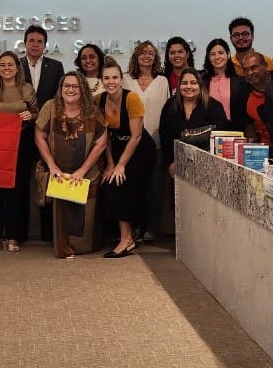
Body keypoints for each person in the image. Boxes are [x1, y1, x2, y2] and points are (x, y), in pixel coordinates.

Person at [35, 72, 108, 259]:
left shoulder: (93, 111)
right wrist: (52, 165)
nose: (70, 90)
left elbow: (101, 143)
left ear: (83, 89)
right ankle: (64, 247)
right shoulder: (50, 107)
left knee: (87, 214)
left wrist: (82, 171)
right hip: (59, 173)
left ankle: (84, 247)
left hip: (87, 174)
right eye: (66, 86)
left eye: (75, 86)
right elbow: (39, 137)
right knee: (62, 213)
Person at [0, 51, 39, 252]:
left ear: (17, 68)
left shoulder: (26, 88)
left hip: (20, 144)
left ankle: (14, 236)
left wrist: (30, 116)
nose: (6, 68)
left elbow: (36, 113)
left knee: (17, 191)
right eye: (2, 65)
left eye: (10, 65)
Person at [97, 59, 157, 258]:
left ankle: (127, 240)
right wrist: (110, 164)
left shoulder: (131, 99)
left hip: (140, 148)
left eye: (115, 77)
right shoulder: (98, 100)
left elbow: (136, 136)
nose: (111, 82)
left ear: (121, 79)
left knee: (120, 183)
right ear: (101, 80)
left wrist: (121, 165)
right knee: (109, 180)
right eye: (106, 78)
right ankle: (124, 233)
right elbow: (104, 136)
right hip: (115, 147)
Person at [123, 40, 172, 241]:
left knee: (154, 187)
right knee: (134, 187)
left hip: (156, 142)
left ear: (156, 57)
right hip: (132, 142)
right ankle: (135, 226)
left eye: (151, 53)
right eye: (143, 52)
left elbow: (167, 112)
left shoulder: (162, 81)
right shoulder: (126, 79)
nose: (146, 56)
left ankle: (151, 228)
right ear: (136, 56)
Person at [21, 25, 65, 243]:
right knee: (21, 182)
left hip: (47, 133)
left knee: (48, 180)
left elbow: (60, 98)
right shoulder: (16, 65)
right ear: (25, 43)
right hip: (20, 132)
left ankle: (49, 233)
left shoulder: (56, 67)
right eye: (31, 40)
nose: (35, 44)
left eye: (39, 41)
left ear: (45, 45)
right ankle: (20, 233)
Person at [159, 69, 231, 174]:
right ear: (179, 86)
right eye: (184, 83)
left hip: (207, 166)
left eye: (193, 83)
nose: (188, 86)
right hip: (177, 166)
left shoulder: (214, 106)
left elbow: (222, 136)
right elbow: (164, 136)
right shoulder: (170, 105)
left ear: (200, 85)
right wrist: (171, 163)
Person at [229, 51, 273, 143]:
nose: (249, 73)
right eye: (245, 70)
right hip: (260, 146)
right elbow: (241, 126)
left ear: (265, 66)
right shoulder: (241, 94)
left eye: (254, 68)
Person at [201, 37, 239, 115]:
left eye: (221, 53)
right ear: (208, 57)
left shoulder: (240, 82)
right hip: (209, 122)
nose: (217, 57)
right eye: (213, 54)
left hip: (234, 123)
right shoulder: (202, 81)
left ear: (228, 55)